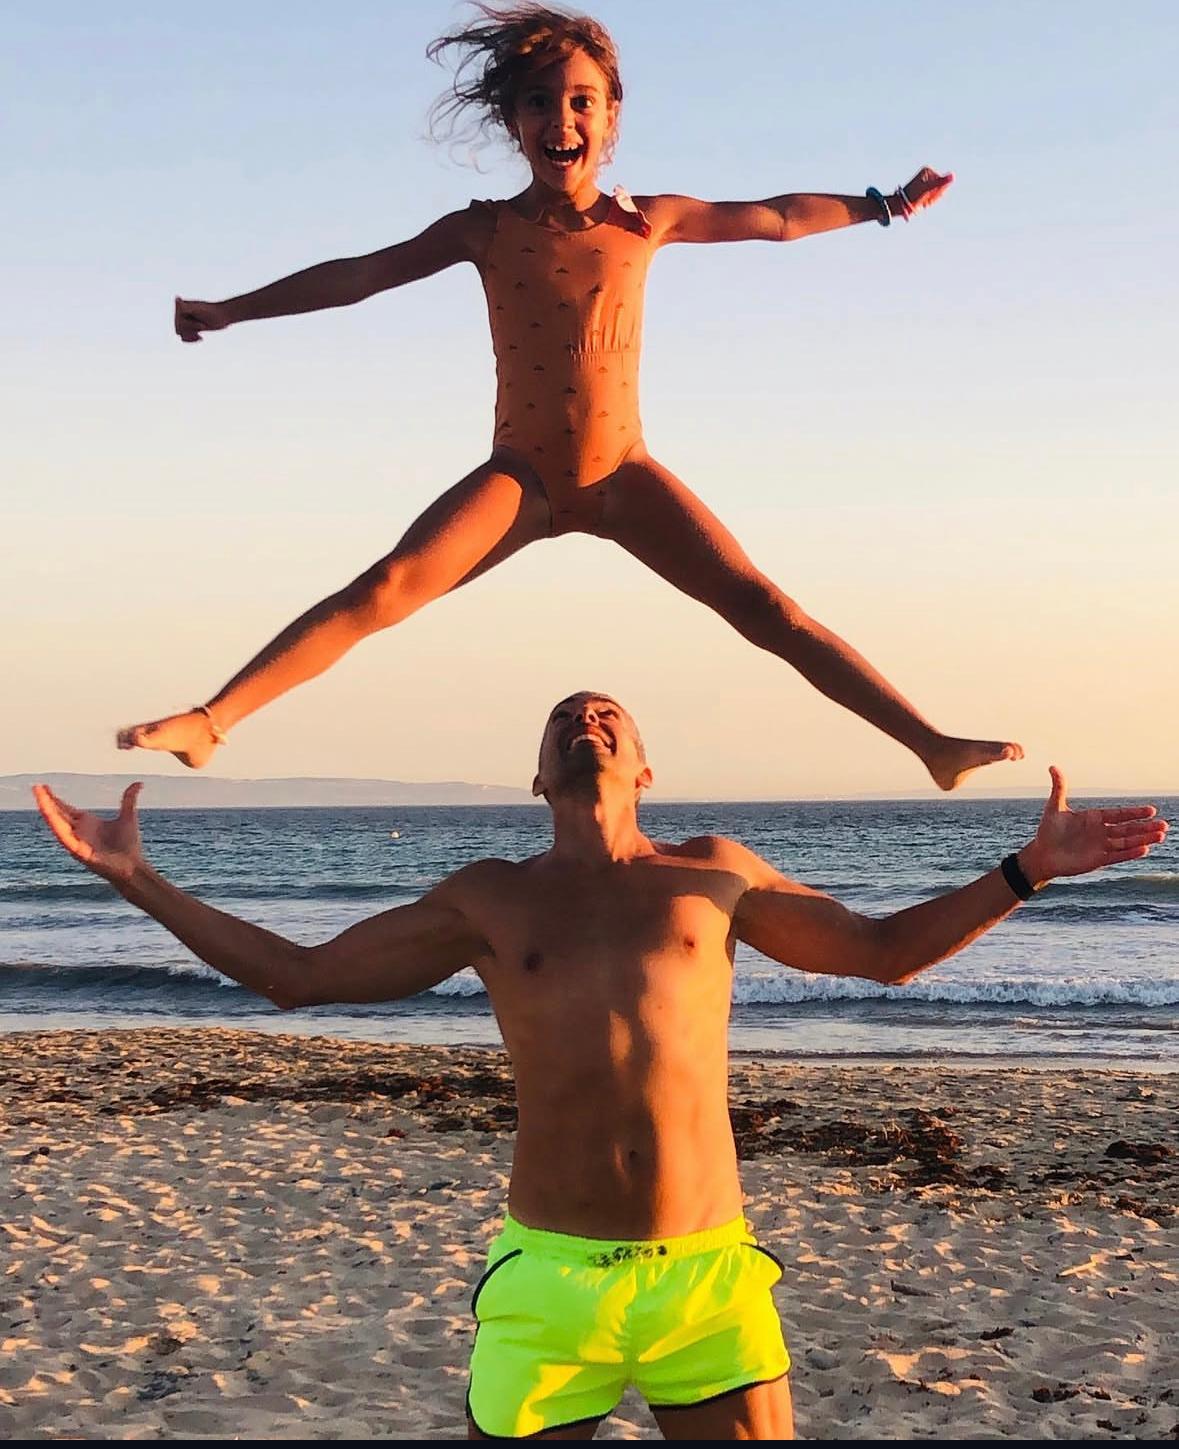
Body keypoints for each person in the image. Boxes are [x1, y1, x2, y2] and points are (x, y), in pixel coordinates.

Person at [36, 691, 1167, 1440]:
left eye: (611, 714)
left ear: (644, 767)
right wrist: (135, 880)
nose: (589, 717)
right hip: (546, 1284)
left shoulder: (711, 876)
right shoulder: (492, 897)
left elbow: (881, 954)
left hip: (707, 1283)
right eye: (568, 717)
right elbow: (297, 976)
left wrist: (1027, 869)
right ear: (538, 777)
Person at [116, 2, 1020, 791]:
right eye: (541, 102)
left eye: (581, 100)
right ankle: (215, 718)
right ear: (512, 122)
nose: (563, 118)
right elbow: (359, 275)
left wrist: (885, 204)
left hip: (623, 472)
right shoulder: (484, 229)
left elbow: (777, 218)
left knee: (768, 610)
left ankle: (929, 743)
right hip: (522, 477)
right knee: (387, 585)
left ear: (610, 119)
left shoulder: (646, 221)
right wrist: (235, 309)